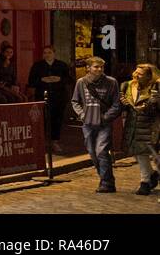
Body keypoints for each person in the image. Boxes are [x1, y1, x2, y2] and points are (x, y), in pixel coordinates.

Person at [71, 56, 123, 194]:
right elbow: (75, 101)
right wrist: (82, 115)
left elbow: (117, 104)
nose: (99, 69)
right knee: (92, 152)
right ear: (88, 68)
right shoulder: (81, 82)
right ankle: (106, 180)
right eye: (96, 67)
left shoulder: (111, 82)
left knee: (101, 150)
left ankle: (106, 183)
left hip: (104, 122)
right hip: (88, 123)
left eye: (101, 67)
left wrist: (106, 117)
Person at [120, 63, 160, 195]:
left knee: (151, 154)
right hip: (133, 123)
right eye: (135, 72)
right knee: (138, 153)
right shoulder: (128, 85)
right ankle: (150, 176)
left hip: (150, 125)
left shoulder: (155, 87)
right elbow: (122, 104)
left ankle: (145, 181)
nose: (136, 75)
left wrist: (152, 103)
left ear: (149, 76)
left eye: (140, 74)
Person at [26, 45, 72, 152]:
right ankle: (42, 142)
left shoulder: (61, 65)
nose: (47, 55)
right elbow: (31, 81)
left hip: (59, 97)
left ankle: (54, 142)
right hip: (42, 96)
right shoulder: (37, 66)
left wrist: (59, 79)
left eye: (49, 52)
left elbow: (69, 79)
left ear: (54, 53)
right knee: (42, 119)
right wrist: (42, 79)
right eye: (45, 53)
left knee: (57, 120)